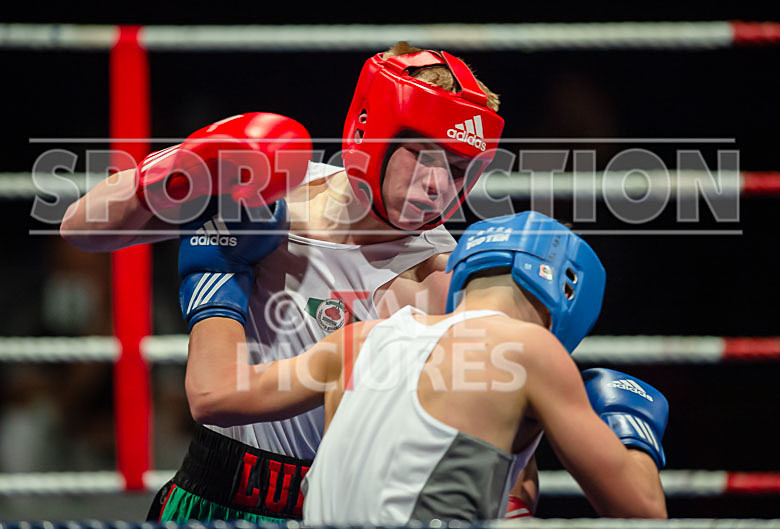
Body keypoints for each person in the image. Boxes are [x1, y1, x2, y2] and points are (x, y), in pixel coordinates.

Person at [60, 42, 533, 521]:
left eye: (459, 170)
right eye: (424, 156)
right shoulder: (272, 186)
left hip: (332, 508)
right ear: (371, 130)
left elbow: (498, 449)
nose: (439, 186)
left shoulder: (443, 281)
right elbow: (82, 228)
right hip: (207, 489)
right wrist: (185, 164)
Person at [183, 211, 669, 522]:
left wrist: (215, 294)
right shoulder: (529, 351)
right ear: (569, 292)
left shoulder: (359, 339)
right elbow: (642, 512)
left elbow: (216, 394)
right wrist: (632, 430)